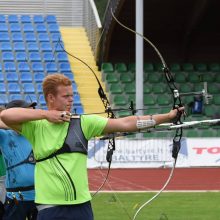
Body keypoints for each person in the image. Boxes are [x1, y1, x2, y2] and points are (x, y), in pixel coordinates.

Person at [0, 73, 184, 220]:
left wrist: (167, 117)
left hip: (82, 207)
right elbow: (7, 115)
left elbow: (127, 123)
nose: (71, 100)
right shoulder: (36, 127)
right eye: (65, 96)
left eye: (72, 96)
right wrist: (46, 115)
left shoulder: (83, 123)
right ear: (51, 97)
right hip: (50, 207)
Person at [0, 101, 38, 220]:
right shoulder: (5, 135)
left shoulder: (36, 131)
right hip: (15, 197)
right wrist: (12, 124)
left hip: (40, 196)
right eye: (25, 111)